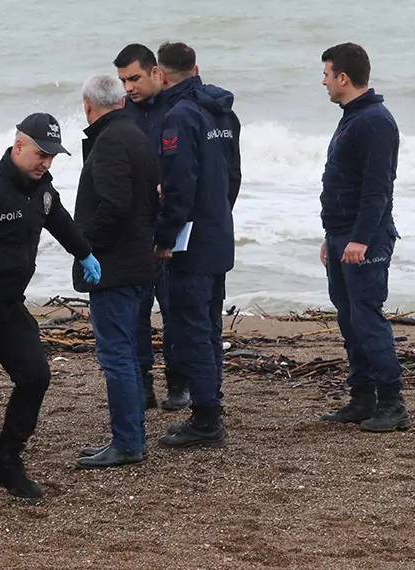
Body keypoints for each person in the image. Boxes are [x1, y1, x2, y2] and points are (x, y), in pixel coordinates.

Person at [0, 113, 101, 503]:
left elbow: (59, 220)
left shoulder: (40, 187)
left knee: (35, 376)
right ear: (19, 145)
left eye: (52, 156)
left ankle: (5, 462)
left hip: (8, 306)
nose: (46, 162)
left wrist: (85, 253)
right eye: (41, 153)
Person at [316, 43, 411, 432]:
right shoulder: (352, 116)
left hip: (365, 239)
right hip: (342, 235)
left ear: (343, 77)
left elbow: (377, 189)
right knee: (349, 318)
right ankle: (362, 397)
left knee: (367, 318)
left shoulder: (374, 120)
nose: (323, 81)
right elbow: (344, 183)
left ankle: (392, 403)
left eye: (326, 74)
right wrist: (332, 235)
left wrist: (360, 239)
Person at [151, 42, 240, 449]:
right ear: (196, 69)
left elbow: (178, 184)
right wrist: (217, 215)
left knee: (192, 328)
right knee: (210, 324)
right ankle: (211, 404)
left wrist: (165, 237)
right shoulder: (223, 112)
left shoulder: (180, 115)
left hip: (191, 241)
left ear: (161, 74)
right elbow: (233, 177)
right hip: (219, 233)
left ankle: (205, 418)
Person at [72, 75, 160, 469]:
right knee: (123, 351)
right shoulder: (137, 135)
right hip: (139, 260)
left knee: (116, 355)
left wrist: (85, 246)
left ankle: (127, 442)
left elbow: (114, 204)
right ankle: (130, 437)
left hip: (116, 266)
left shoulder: (109, 141)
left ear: (89, 106)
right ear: (121, 103)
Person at [113, 43, 186, 411]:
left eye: (135, 78)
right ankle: (142, 385)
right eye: (123, 80)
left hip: (170, 226)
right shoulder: (122, 114)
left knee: (174, 310)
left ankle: (178, 383)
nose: (128, 87)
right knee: (136, 313)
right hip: (134, 229)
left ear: (156, 73)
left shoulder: (176, 110)